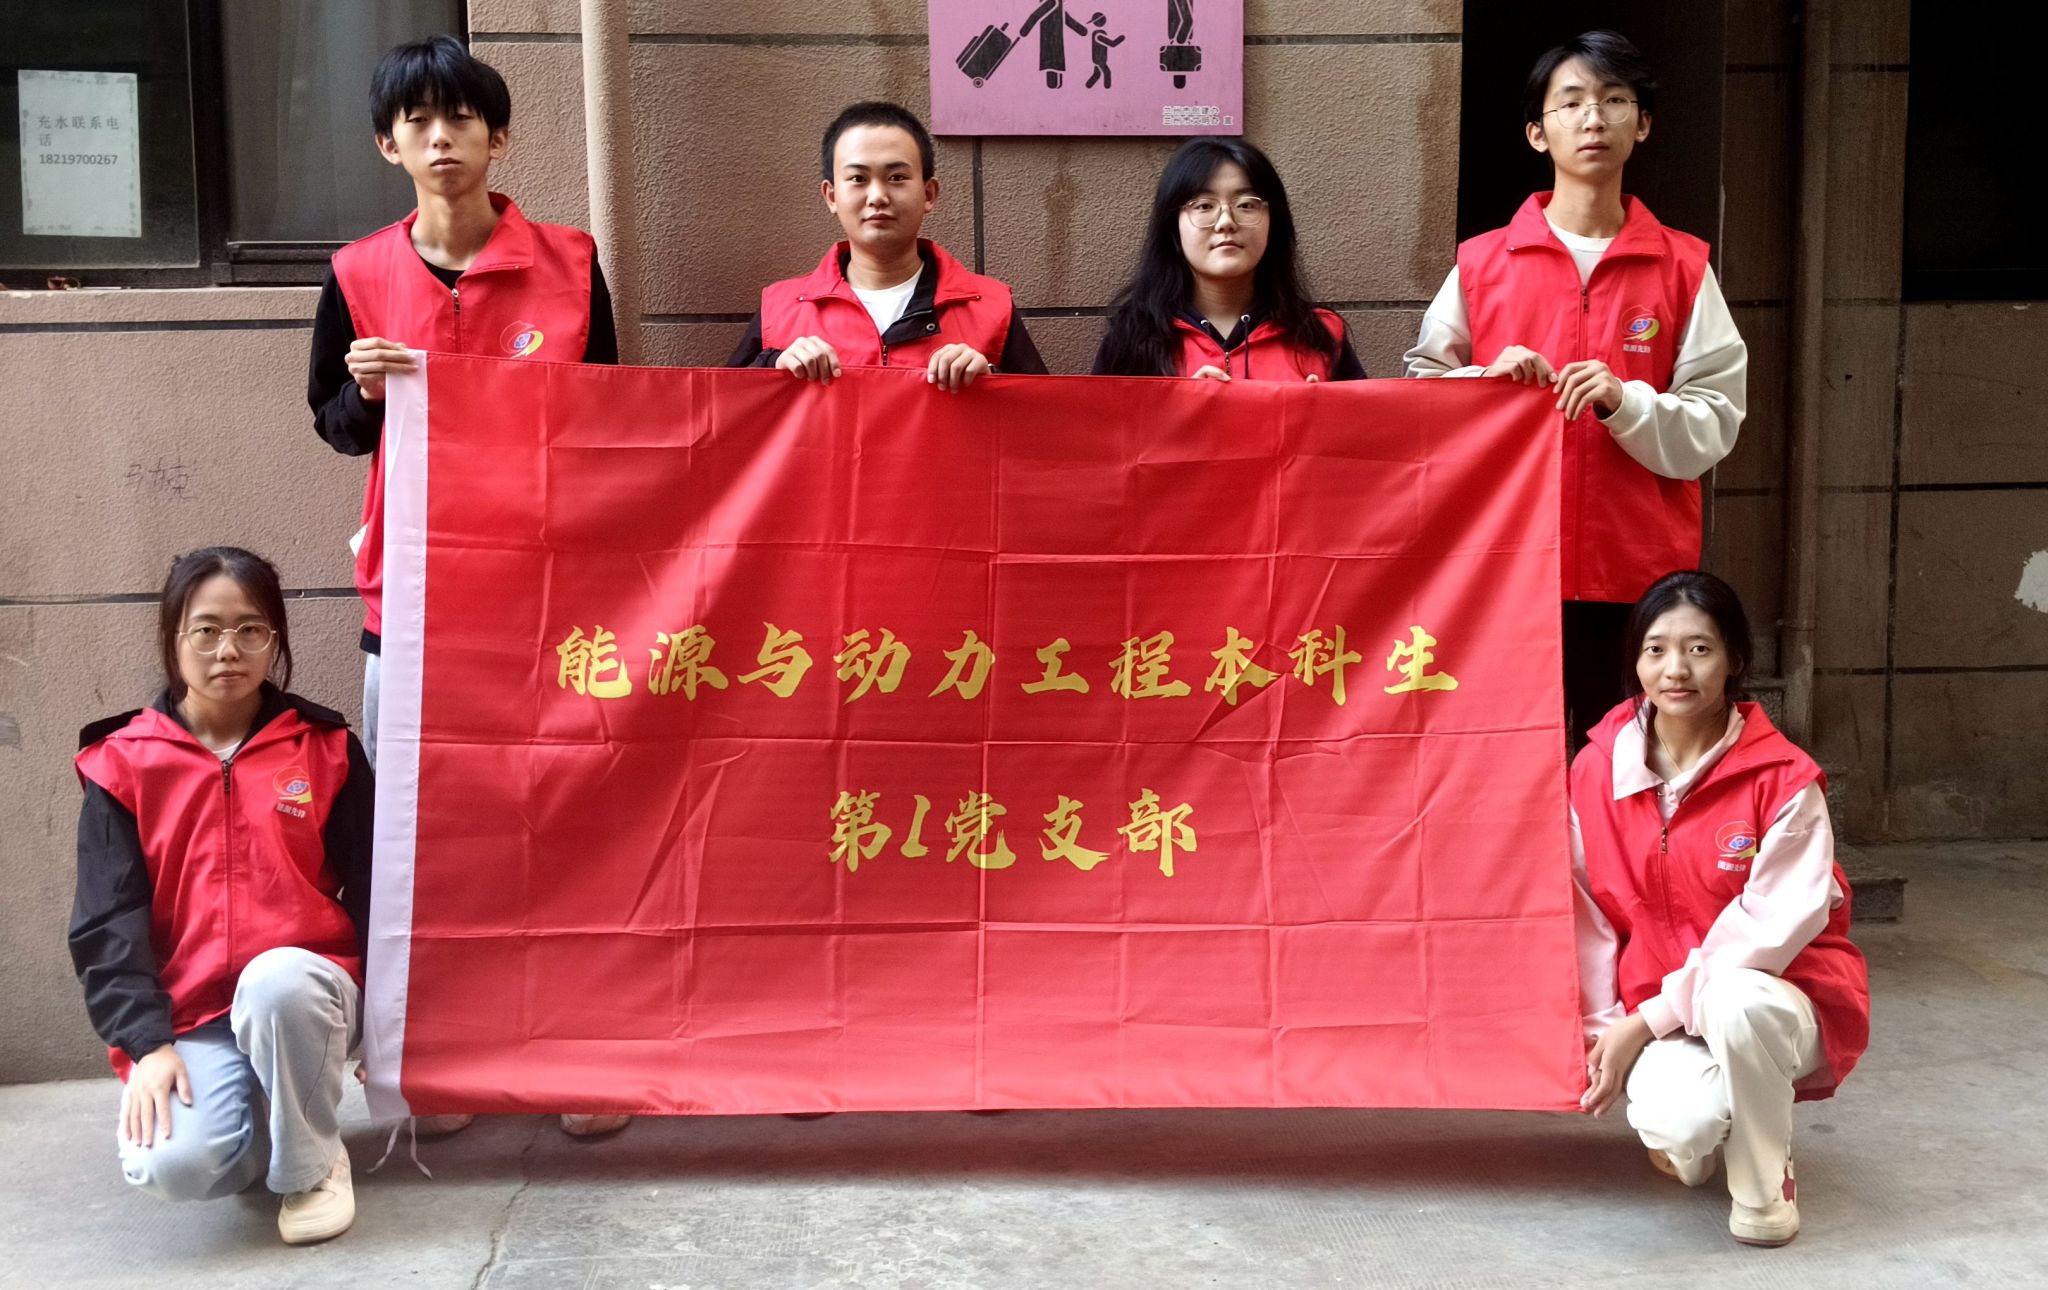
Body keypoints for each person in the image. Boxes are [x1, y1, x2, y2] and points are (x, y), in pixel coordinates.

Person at [306, 33, 625, 1140]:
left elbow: (611, 419)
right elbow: (335, 428)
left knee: (567, 818)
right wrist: (365, 394)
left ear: (499, 138)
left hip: (551, 595)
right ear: (388, 146)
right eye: (419, 122)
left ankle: (579, 1054)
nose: (441, 138)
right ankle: (443, 1064)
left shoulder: (571, 264)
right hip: (414, 600)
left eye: (461, 119)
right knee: (424, 834)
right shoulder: (356, 275)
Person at [1403, 31, 1746, 742]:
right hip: (1506, 563)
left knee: (1625, 757)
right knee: (1503, 754)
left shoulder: (1682, 267)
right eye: (1572, 102)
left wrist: (1625, 402)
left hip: (1639, 572)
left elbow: (1716, 420)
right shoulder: (1483, 264)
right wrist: (1486, 382)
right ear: (1538, 132)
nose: (1594, 118)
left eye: (1615, 101)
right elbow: (1420, 402)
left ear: (1641, 124)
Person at [70, 548, 374, 1244]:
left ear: (276, 639)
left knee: (277, 981)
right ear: (173, 638)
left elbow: (375, 892)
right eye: (206, 630)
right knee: (171, 1166)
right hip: (195, 1013)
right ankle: (274, 1116)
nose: (228, 650)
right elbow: (106, 922)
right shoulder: (124, 763)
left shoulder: (324, 748)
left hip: (310, 993)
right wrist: (148, 1044)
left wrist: (392, 1024)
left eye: (250, 630)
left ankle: (314, 1167)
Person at [1572, 570, 1870, 1248]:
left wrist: (1646, 1021)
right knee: (1682, 1129)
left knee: (1736, 999)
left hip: (1782, 998)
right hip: (1660, 1012)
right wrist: (1604, 1033)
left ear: (1736, 659)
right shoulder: (1595, 771)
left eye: (1699, 649)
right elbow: (1585, 912)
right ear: (1635, 661)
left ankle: (1764, 1191)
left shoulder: (1784, 781)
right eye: (1655, 649)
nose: (1675, 669)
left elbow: (1770, 933)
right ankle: (1701, 1127)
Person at [726, 100, 1046, 386]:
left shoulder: (991, 307)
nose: (877, 196)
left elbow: (1046, 420)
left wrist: (992, 381)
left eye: (896, 178)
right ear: (832, 196)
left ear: (929, 194)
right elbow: (723, 418)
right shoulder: (780, 309)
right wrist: (772, 367)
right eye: (858, 179)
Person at [1092, 137, 1365, 382]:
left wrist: (1320, 414)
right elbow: (1102, 424)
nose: (1226, 222)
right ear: (1173, 228)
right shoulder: (1132, 338)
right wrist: (1181, 408)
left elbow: (1363, 422)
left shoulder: (1321, 334)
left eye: (1246, 205)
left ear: (1274, 223)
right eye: (1204, 206)